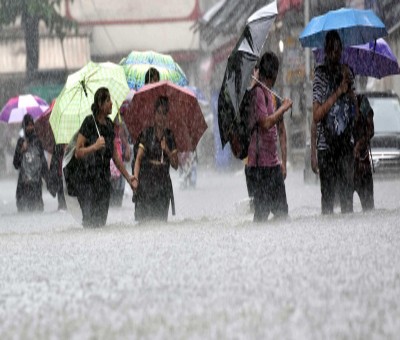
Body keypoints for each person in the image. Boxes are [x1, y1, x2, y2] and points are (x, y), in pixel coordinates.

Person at [75, 87, 134, 227]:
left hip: (104, 182)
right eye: (108, 101)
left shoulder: (109, 125)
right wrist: (94, 147)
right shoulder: (89, 123)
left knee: (101, 224)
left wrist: (129, 177)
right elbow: (78, 152)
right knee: (89, 224)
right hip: (88, 181)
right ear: (100, 105)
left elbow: (115, 157)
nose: (111, 104)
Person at [312, 30, 357, 215]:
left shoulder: (347, 72)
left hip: (345, 145)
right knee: (328, 202)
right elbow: (316, 115)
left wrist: (349, 90)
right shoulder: (320, 76)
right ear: (327, 51)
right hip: (327, 147)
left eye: (339, 51)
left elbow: (355, 110)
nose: (336, 55)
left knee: (347, 200)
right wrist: (338, 91)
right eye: (333, 51)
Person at [246, 51, 293, 222]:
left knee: (281, 214)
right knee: (262, 216)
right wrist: (284, 108)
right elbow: (265, 123)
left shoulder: (271, 96)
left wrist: (283, 163)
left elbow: (281, 131)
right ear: (273, 74)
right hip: (259, 168)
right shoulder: (257, 92)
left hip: (272, 165)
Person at [132, 96, 179, 222]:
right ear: (154, 114)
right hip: (147, 183)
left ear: (167, 116)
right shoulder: (146, 133)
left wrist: (167, 150)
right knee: (145, 223)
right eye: (158, 112)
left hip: (163, 186)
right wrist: (135, 178)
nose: (161, 117)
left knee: (160, 223)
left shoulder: (169, 136)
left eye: (164, 113)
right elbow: (138, 160)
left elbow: (176, 165)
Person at [13, 113, 49, 212]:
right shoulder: (20, 142)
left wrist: (48, 180)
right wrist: (21, 151)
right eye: (28, 125)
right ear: (24, 126)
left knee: (36, 213)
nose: (30, 127)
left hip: (36, 186)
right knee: (24, 214)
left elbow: (43, 163)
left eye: (31, 125)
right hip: (23, 186)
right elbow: (16, 164)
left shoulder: (38, 142)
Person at [353, 93, 374, 211]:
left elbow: (371, 130)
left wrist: (359, 144)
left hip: (363, 166)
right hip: (345, 167)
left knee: (369, 208)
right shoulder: (337, 100)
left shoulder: (362, 101)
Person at [109, 114, 131, 207]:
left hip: (119, 165)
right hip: (107, 168)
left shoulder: (120, 120)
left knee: (116, 204)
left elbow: (127, 154)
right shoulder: (99, 123)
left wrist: (127, 147)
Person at [48, 143, 67, 210]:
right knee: (61, 197)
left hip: (69, 178)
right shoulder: (57, 148)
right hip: (60, 177)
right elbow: (54, 164)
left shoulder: (73, 147)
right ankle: (61, 206)